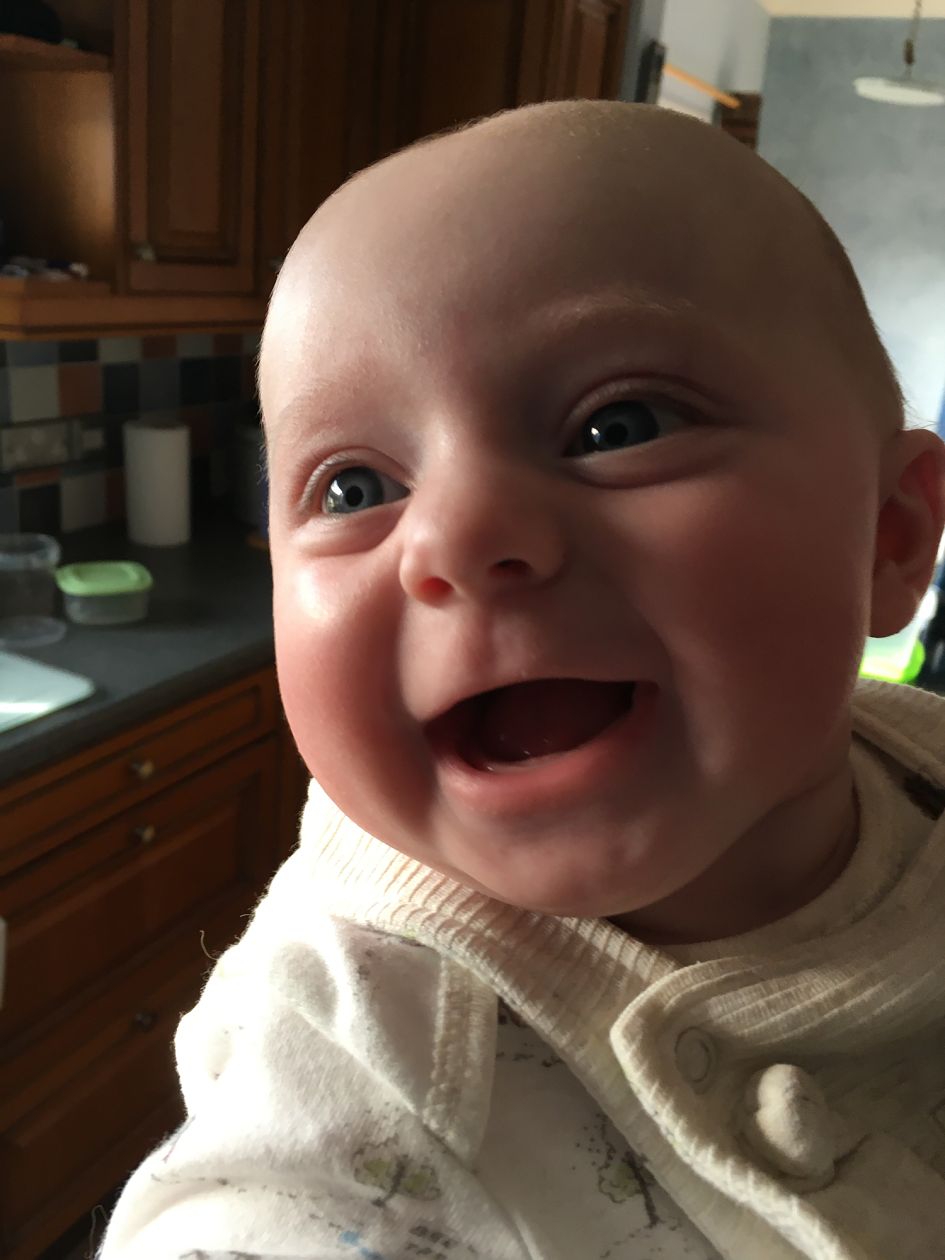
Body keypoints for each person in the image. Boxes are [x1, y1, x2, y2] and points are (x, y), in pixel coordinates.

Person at [98, 101, 945, 1260]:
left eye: (617, 426)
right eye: (354, 490)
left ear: (892, 536)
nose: (455, 536)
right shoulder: (358, 1050)